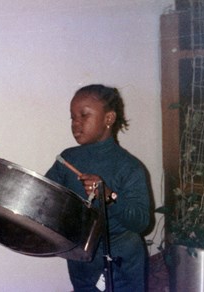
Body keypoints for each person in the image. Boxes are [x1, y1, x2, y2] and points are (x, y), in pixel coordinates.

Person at [45, 84, 150, 292]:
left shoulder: (130, 166)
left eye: (84, 116)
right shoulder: (67, 158)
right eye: (73, 117)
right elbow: (46, 197)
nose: (76, 123)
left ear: (108, 119)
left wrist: (109, 196)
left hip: (123, 258)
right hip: (82, 255)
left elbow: (141, 222)